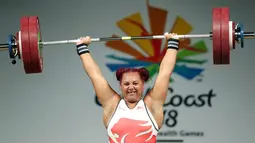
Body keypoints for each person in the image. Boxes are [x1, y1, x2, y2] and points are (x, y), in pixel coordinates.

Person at [76, 32, 179, 143]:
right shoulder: (112, 104)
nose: (131, 87)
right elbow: (95, 76)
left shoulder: (152, 104)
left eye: (135, 83)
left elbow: (165, 73)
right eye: (126, 84)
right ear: (120, 86)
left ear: (142, 84)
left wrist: (172, 43)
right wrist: (82, 47)